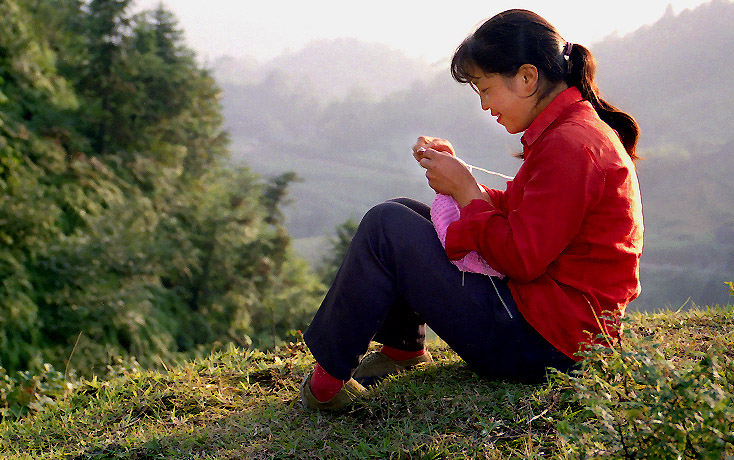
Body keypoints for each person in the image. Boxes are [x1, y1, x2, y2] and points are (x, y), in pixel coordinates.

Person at [300, 9, 644, 410]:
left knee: (385, 225)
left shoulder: (572, 145)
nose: (484, 105)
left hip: (549, 347)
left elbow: (521, 257)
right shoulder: (570, 130)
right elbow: (524, 211)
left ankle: (326, 386)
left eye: (484, 88)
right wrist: (461, 180)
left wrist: (465, 191)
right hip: (555, 329)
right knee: (405, 211)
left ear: (527, 78)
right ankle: (403, 351)